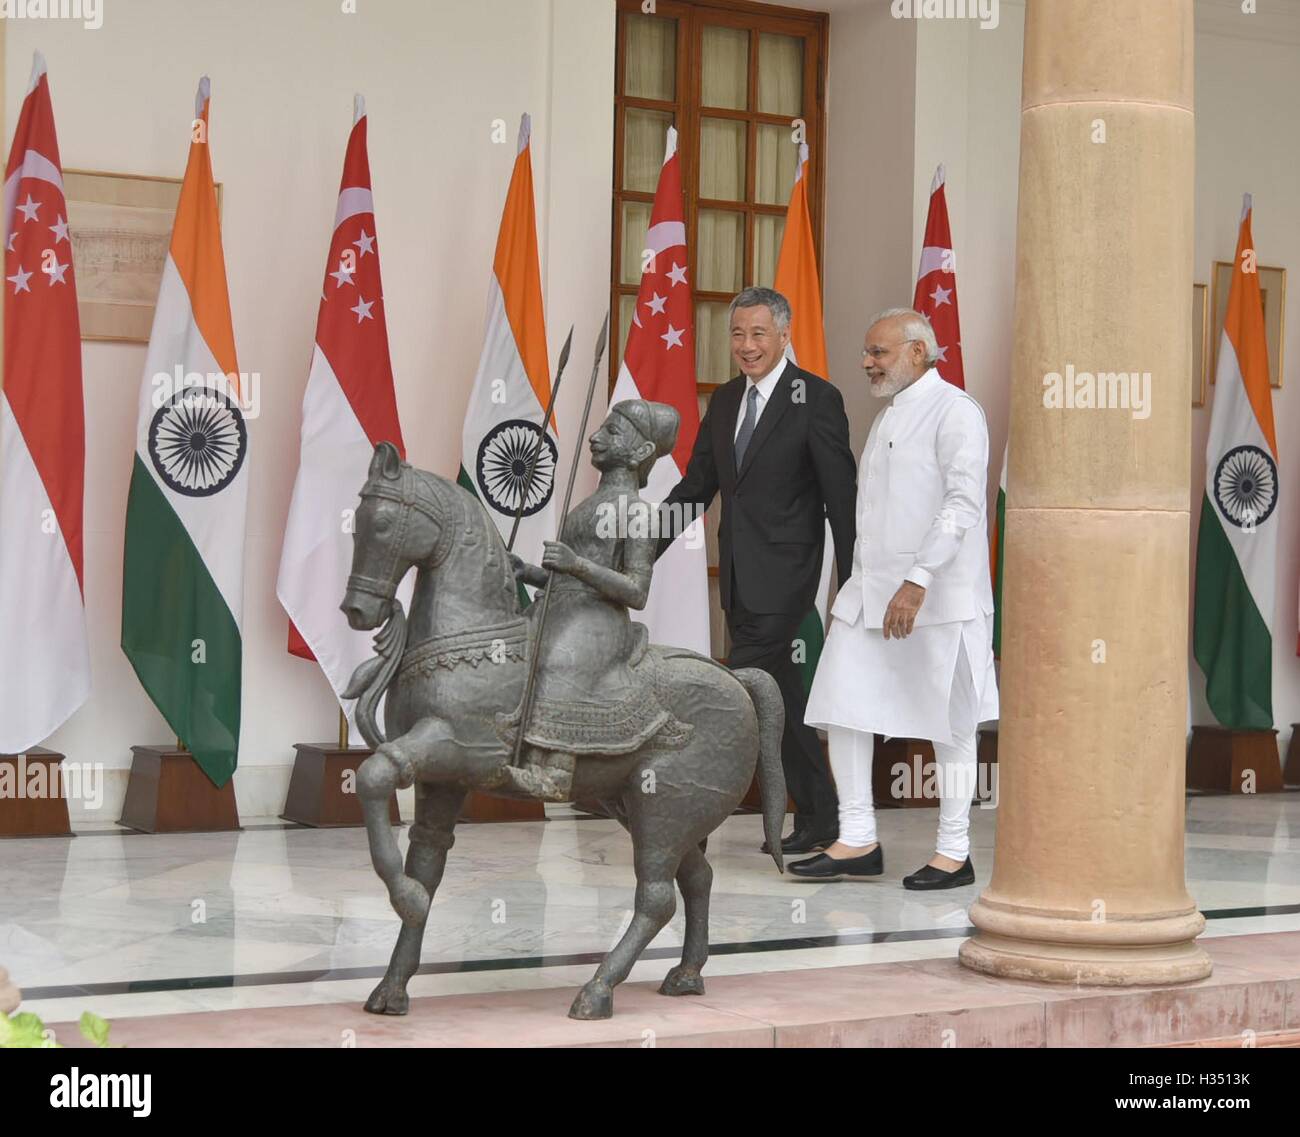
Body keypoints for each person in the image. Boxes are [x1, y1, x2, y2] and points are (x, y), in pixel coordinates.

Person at [797, 308, 998, 888]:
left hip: (939, 599)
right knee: (842, 706)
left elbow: (961, 505)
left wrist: (919, 580)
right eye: (867, 352)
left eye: (878, 352)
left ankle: (954, 853)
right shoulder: (888, 415)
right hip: (870, 594)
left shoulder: (956, 411)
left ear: (917, 352)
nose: (867, 362)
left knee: (951, 724)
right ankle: (856, 838)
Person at [657, 286, 857, 854]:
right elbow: (697, 487)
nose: (747, 346)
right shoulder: (723, 401)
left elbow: (841, 498)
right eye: (738, 334)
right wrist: (639, 545)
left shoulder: (815, 399)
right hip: (741, 581)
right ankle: (821, 815)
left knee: (731, 691)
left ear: (784, 335)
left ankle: (686, 817)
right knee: (782, 700)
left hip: (789, 580)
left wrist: (855, 578)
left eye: (759, 334)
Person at [505, 399, 681, 801]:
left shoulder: (638, 512)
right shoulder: (587, 506)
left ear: (642, 452)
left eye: (612, 432)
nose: (594, 437)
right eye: (600, 428)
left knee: (558, 658)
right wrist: (528, 571)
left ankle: (557, 768)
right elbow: (560, 577)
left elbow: (636, 590)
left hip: (597, 620)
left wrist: (578, 565)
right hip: (560, 609)